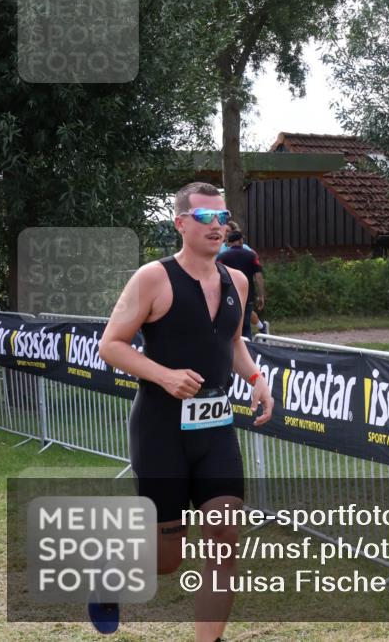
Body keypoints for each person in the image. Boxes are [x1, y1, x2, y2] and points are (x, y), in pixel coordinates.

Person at [97, 182, 274, 640]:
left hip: (215, 429)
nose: (218, 226)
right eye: (205, 217)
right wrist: (165, 376)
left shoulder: (236, 281)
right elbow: (111, 345)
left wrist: (256, 379)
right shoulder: (153, 278)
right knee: (166, 559)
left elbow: (232, 341)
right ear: (180, 223)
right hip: (161, 430)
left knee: (224, 537)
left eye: (223, 217)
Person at [217, 220, 268, 334]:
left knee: (240, 321)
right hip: (236, 291)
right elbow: (258, 274)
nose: (226, 233)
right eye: (225, 231)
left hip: (236, 291)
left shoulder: (243, 250)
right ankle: (259, 329)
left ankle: (261, 328)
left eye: (228, 231)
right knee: (242, 324)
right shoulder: (221, 249)